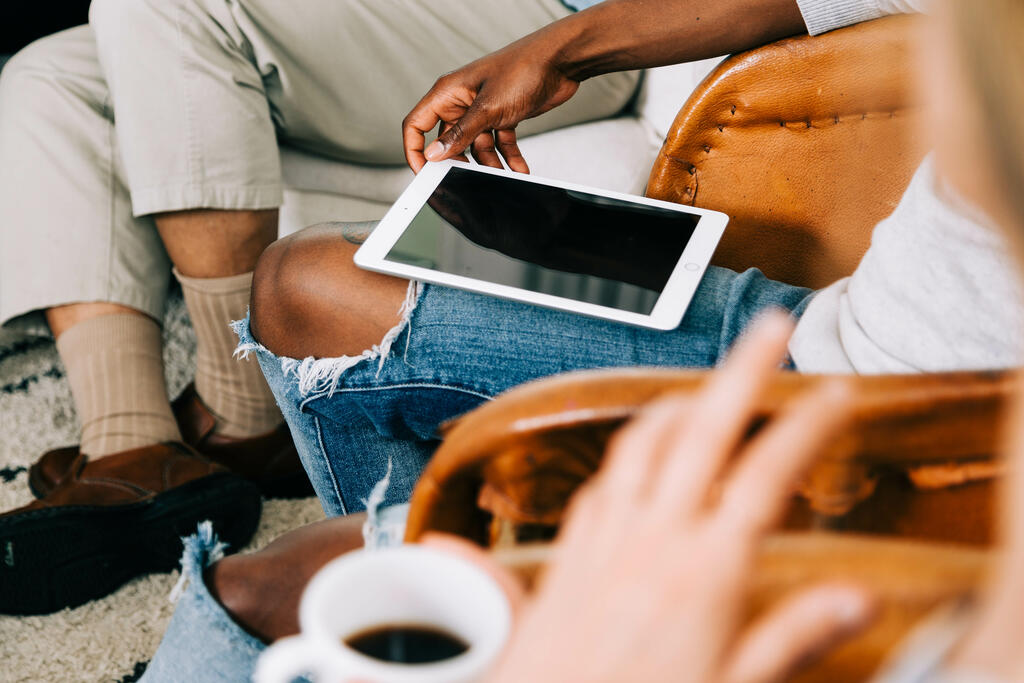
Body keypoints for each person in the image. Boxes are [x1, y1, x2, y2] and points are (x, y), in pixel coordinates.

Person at [136, 0, 1022, 680]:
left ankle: (424, 598)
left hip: (874, 436)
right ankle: (418, 605)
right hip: (812, 325)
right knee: (301, 285)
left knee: (255, 596)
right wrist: (559, 49)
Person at [237, 0, 1019, 518]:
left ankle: (426, 607)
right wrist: (555, 52)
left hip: (862, 415)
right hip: (830, 322)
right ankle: (427, 580)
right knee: (317, 270)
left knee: (302, 288)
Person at [0, 0, 640, 613]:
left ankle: (244, 408)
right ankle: (133, 446)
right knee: (48, 76)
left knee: (163, 5)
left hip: (556, 17)